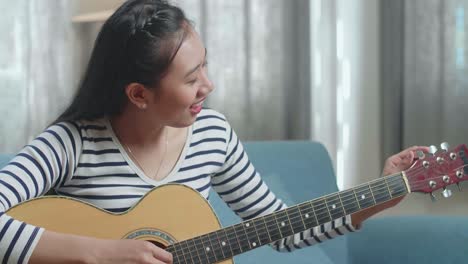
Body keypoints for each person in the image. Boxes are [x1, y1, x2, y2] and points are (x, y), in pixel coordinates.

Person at [0, 0, 428, 263]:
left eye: (205, 63)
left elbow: (281, 228)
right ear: (139, 94)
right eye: (191, 78)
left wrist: (382, 193)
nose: (209, 85)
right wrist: (103, 253)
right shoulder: (72, 143)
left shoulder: (213, 135)